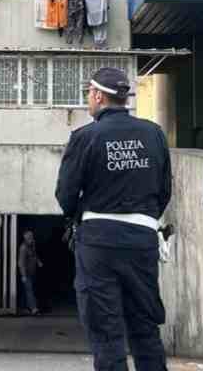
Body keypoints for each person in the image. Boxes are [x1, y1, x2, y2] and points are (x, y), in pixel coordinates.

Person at [55, 66, 172, 371]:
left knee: (106, 330)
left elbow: (65, 195)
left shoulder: (84, 137)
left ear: (98, 96)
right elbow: (164, 190)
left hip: (99, 241)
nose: (88, 99)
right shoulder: (154, 133)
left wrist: (80, 217)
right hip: (142, 239)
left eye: (88, 94)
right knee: (145, 326)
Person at [18, 230, 42, 315]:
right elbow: (21, 262)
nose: (32, 239)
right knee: (29, 290)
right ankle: (34, 308)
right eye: (30, 238)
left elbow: (34, 255)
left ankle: (24, 308)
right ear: (25, 238)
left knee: (26, 290)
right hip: (26, 273)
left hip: (32, 272)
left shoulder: (31, 246)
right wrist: (23, 275)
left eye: (32, 237)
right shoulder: (23, 248)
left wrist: (38, 262)